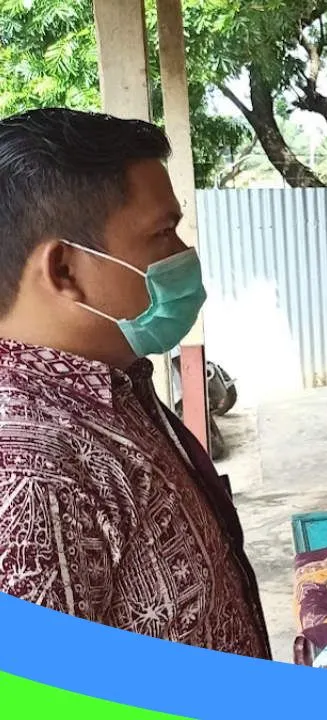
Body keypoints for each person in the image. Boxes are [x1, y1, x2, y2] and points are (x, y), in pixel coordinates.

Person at [0, 108, 270, 658]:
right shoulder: (30, 468)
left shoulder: (113, 384)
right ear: (64, 271)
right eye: (162, 233)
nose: (183, 255)